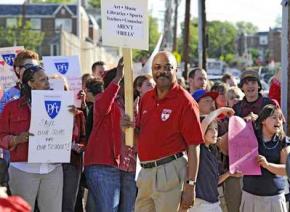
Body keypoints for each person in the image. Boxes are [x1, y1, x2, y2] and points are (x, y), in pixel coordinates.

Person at [123, 51, 204, 211]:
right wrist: (127, 129)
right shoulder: (146, 99)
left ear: (176, 70)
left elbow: (194, 146)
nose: (162, 72)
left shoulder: (186, 102)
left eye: (168, 67)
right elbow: (137, 140)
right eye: (157, 67)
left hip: (171, 171)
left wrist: (190, 185)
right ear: (152, 71)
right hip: (145, 173)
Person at [0, 65, 63, 212]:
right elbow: (1, 135)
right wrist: (16, 140)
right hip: (23, 170)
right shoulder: (12, 107)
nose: (47, 82)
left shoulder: (62, 103)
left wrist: (73, 115)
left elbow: (71, 133)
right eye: (42, 80)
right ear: (30, 83)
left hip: (52, 170)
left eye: (47, 79)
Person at [84, 58, 137, 212]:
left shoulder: (130, 106)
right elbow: (104, 103)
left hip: (124, 167)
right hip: (103, 165)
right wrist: (117, 78)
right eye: (125, 81)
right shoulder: (102, 100)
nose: (129, 85)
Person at [189, 107, 241, 212]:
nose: (214, 132)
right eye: (210, 129)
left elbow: (214, 181)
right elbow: (205, 122)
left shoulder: (212, 152)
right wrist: (222, 110)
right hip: (200, 203)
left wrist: (229, 174)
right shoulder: (199, 149)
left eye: (216, 129)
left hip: (214, 202)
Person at [240, 104, 290, 212]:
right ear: (263, 120)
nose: (278, 121)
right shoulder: (251, 135)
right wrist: (244, 123)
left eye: (280, 118)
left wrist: (267, 165)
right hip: (250, 196)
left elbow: (286, 170)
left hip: (274, 198)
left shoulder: (283, 141)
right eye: (274, 117)